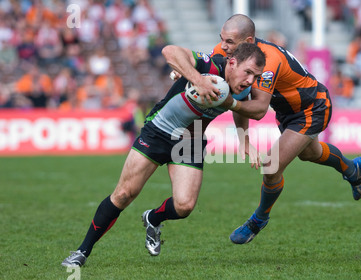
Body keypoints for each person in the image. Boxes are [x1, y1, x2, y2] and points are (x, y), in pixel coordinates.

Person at [167, 14, 361, 245]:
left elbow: (258, 108)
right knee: (309, 153)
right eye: (222, 39)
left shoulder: (268, 60)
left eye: (230, 42)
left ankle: (258, 220)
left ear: (249, 40)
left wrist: (230, 108)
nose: (223, 47)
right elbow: (233, 89)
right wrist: (185, 73)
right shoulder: (226, 52)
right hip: (287, 111)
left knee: (271, 165)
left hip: (312, 106)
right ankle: (352, 169)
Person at [61, 42, 266, 266]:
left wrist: (244, 141)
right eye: (248, 73)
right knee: (123, 195)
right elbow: (170, 51)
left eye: (255, 76)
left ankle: (153, 218)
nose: (249, 81)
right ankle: (82, 251)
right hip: (159, 130)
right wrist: (198, 80)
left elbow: (240, 109)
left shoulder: (243, 88)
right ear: (233, 63)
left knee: (184, 206)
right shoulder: (211, 65)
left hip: (191, 139)